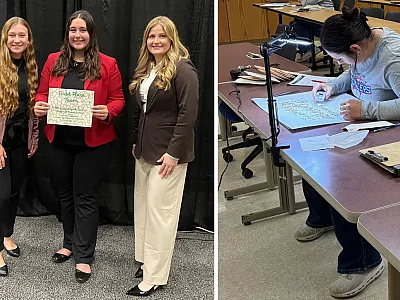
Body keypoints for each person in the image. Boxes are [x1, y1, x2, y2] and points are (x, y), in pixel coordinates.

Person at [295, 7, 400, 298]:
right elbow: (351, 74)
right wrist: (332, 84)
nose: (341, 63)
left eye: (340, 57)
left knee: (343, 181)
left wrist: (365, 109)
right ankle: (322, 218)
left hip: (386, 131)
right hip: (362, 123)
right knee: (312, 153)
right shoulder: (362, 45)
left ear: (354, 48)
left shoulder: (392, 58)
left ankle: (364, 262)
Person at [34, 10, 125, 283]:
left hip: (93, 143)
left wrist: (107, 111)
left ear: (91, 33)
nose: (77, 34)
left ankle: (84, 256)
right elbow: (41, 93)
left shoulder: (108, 64)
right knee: (64, 194)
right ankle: (69, 243)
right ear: (67, 33)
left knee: (85, 197)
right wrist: (39, 106)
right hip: (59, 141)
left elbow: (119, 99)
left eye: (83, 30)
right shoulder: (53, 61)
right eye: (73, 29)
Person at [127, 16, 199, 296]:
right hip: (145, 150)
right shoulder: (149, 67)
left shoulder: (184, 70)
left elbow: (188, 115)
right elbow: (142, 110)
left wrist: (173, 153)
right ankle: (146, 261)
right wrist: (136, 141)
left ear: (172, 38)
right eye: (150, 36)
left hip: (168, 154)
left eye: (161, 36)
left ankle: (155, 276)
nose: (155, 41)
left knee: (161, 215)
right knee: (145, 208)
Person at [0, 17, 38, 277]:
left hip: (19, 141)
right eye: (12, 35)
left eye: (21, 35)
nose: (17, 40)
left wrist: (33, 139)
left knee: (14, 192)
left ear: (28, 39)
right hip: (0, 142)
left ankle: (6, 235)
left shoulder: (31, 66)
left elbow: (33, 110)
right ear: (5, 38)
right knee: (0, 195)